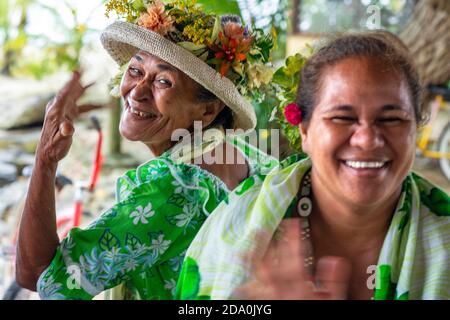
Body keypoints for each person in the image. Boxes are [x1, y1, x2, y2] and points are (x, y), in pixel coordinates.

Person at [15, 0, 278, 300]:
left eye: (163, 81)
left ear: (208, 110)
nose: (137, 91)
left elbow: (38, 276)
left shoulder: (173, 189)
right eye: (136, 70)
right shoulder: (241, 154)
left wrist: (46, 158)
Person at [176, 31, 450, 300]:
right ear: (305, 131)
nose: (367, 139)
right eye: (342, 117)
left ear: (415, 130)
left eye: (391, 119)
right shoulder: (233, 234)